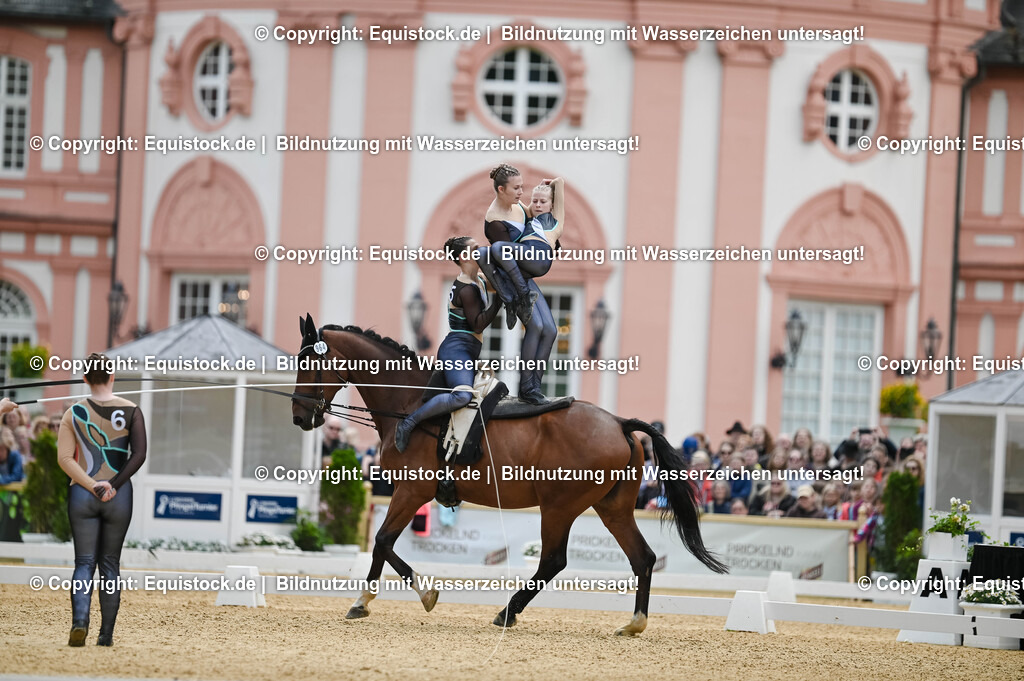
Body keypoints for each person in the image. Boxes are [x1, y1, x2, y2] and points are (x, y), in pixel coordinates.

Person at [57, 353, 147, 647]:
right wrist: (113, 485)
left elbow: (65, 459)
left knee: (84, 562)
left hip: (83, 494)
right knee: (110, 564)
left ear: (84, 378)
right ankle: (105, 635)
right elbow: (139, 455)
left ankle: (79, 622)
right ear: (112, 377)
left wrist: (93, 484)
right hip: (118, 497)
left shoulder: (73, 412)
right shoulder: (132, 410)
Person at [395, 236, 502, 452]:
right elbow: (478, 324)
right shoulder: (466, 288)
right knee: (463, 395)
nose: (480, 250)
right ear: (464, 257)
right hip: (457, 349)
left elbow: (499, 281)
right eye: (475, 249)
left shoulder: (478, 280)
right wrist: (499, 301)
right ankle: (408, 423)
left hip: (469, 350)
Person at [481, 167, 565, 404]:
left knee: (551, 330)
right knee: (536, 327)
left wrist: (551, 240)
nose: (522, 192)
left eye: (521, 186)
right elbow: (503, 256)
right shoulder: (494, 220)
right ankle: (526, 387)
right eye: (516, 188)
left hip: (525, 274)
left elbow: (541, 219)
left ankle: (535, 387)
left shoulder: (519, 206)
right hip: (512, 279)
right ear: (501, 189)